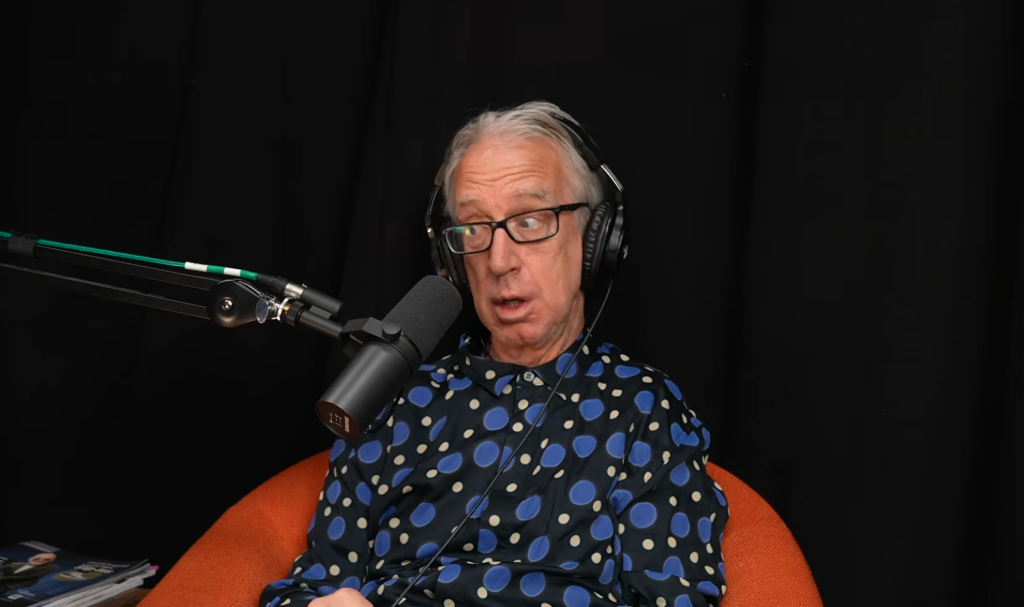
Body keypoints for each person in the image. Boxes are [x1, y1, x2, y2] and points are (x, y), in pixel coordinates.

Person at [260, 101, 729, 607]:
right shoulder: (394, 399)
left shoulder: (643, 409)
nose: (498, 260)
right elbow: (312, 585)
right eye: (473, 229)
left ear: (596, 238)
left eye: (529, 220)